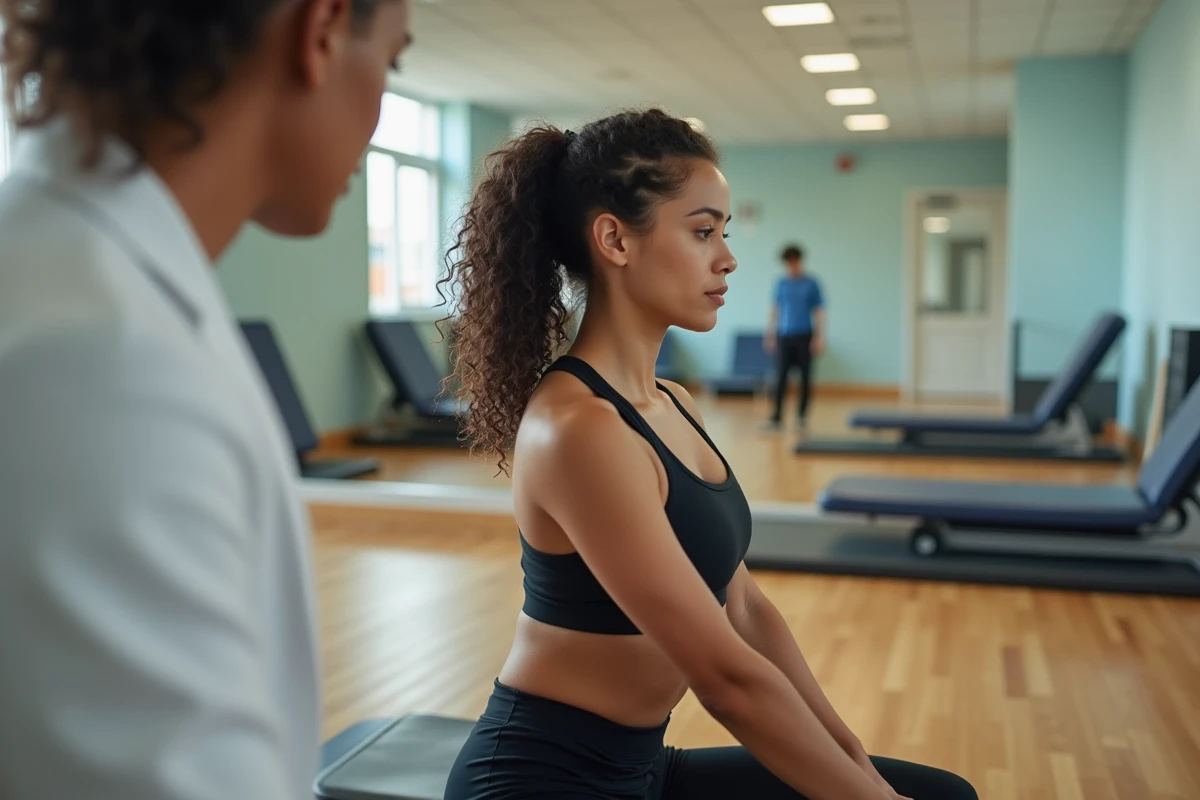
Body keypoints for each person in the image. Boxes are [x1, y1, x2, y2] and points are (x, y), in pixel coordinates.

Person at [436, 109, 977, 800]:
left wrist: (852, 755)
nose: (727, 256)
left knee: (943, 794)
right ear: (615, 240)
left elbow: (745, 609)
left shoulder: (673, 402)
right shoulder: (577, 429)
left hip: (643, 766)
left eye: (724, 231)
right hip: (543, 778)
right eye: (702, 232)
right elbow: (726, 680)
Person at [0, 2, 411, 799]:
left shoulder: (98, 284)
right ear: (321, 30)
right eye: (391, 63)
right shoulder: (97, 362)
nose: (379, 111)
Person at [764, 244, 826, 431]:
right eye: (788, 263)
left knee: (805, 378)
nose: (791, 266)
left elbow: (819, 311)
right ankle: (777, 418)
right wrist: (770, 335)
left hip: (805, 336)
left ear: (799, 260)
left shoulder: (811, 283)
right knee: (780, 378)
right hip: (784, 336)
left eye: (794, 262)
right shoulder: (781, 283)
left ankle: (801, 417)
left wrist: (819, 337)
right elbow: (775, 310)